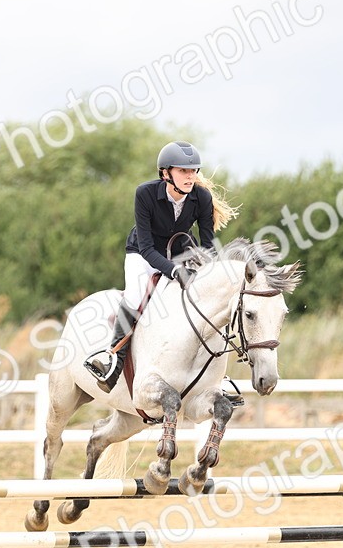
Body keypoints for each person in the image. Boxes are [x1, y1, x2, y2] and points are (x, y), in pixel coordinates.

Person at [85, 140, 238, 391]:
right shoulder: (145, 194)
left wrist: (208, 272)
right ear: (166, 173)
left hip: (181, 253)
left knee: (209, 300)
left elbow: (208, 244)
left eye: (193, 171)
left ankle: (216, 376)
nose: (190, 176)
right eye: (183, 171)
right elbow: (146, 247)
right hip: (143, 255)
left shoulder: (201, 197)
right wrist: (173, 271)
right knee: (135, 296)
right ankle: (113, 358)